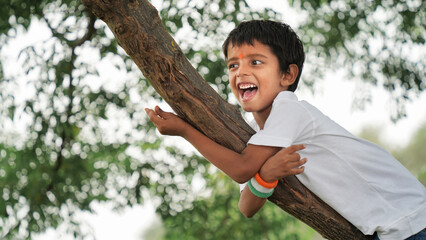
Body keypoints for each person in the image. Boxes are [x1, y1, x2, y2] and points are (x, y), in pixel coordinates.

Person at [145, 20, 425, 239]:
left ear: (287, 75)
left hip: (410, 220)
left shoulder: (289, 108)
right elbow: (246, 207)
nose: (240, 72)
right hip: (393, 228)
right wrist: (266, 175)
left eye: (255, 61)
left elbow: (242, 169)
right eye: (233, 65)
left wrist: (184, 130)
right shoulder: (258, 136)